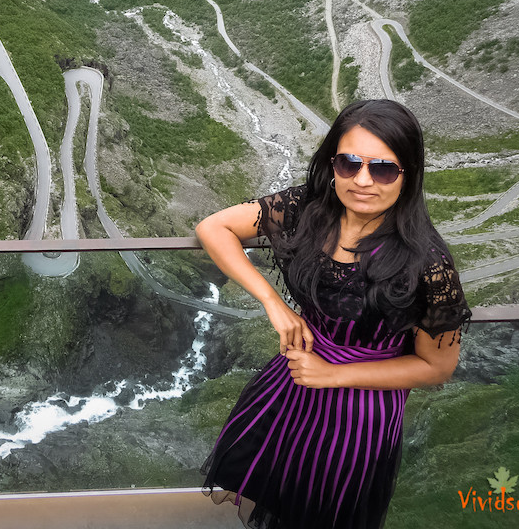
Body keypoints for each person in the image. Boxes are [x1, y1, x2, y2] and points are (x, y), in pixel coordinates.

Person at [196, 99, 471, 529]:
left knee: (325, 506)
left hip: (359, 414)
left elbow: (437, 367)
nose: (363, 180)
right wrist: (275, 304)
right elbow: (214, 227)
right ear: (332, 164)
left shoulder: (427, 263)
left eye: (382, 168)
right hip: (294, 382)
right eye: (349, 163)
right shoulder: (310, 209)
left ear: (408, 175)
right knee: (281, 489)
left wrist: (332, 374)